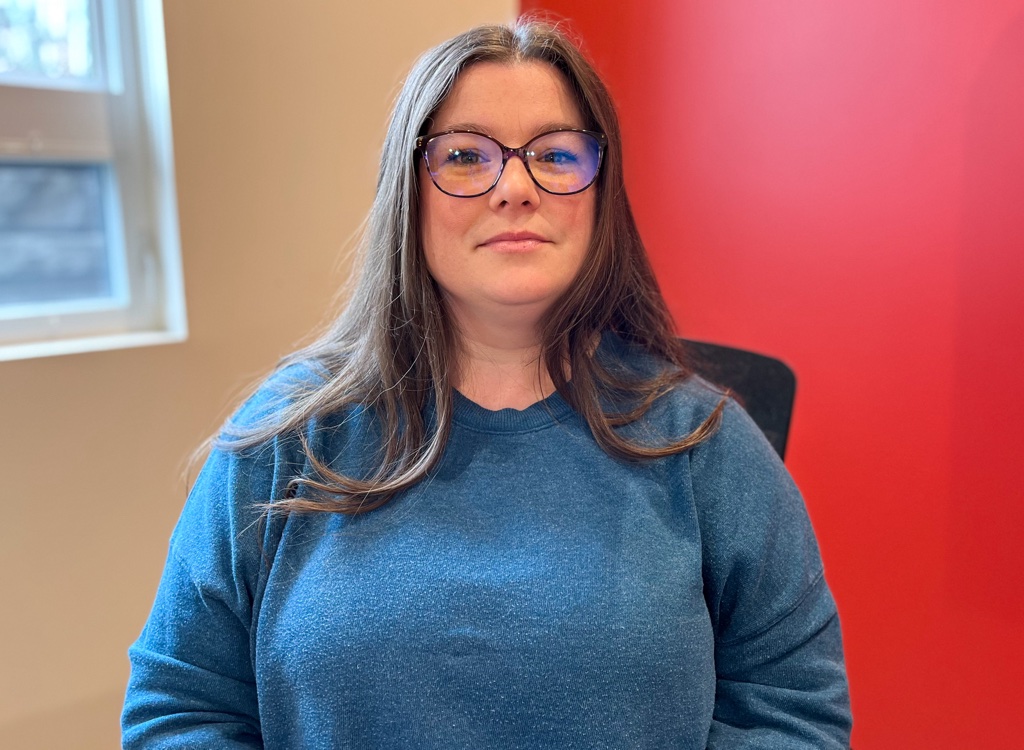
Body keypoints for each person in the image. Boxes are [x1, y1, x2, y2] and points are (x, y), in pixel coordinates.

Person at [122, 18, 852, 749]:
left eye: (555, 154)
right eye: (467, 156)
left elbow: (792, 711)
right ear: (409, 192)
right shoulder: (287, 438)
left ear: (600, 193)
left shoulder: (704, 443)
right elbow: (181, 709)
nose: (515, 188)